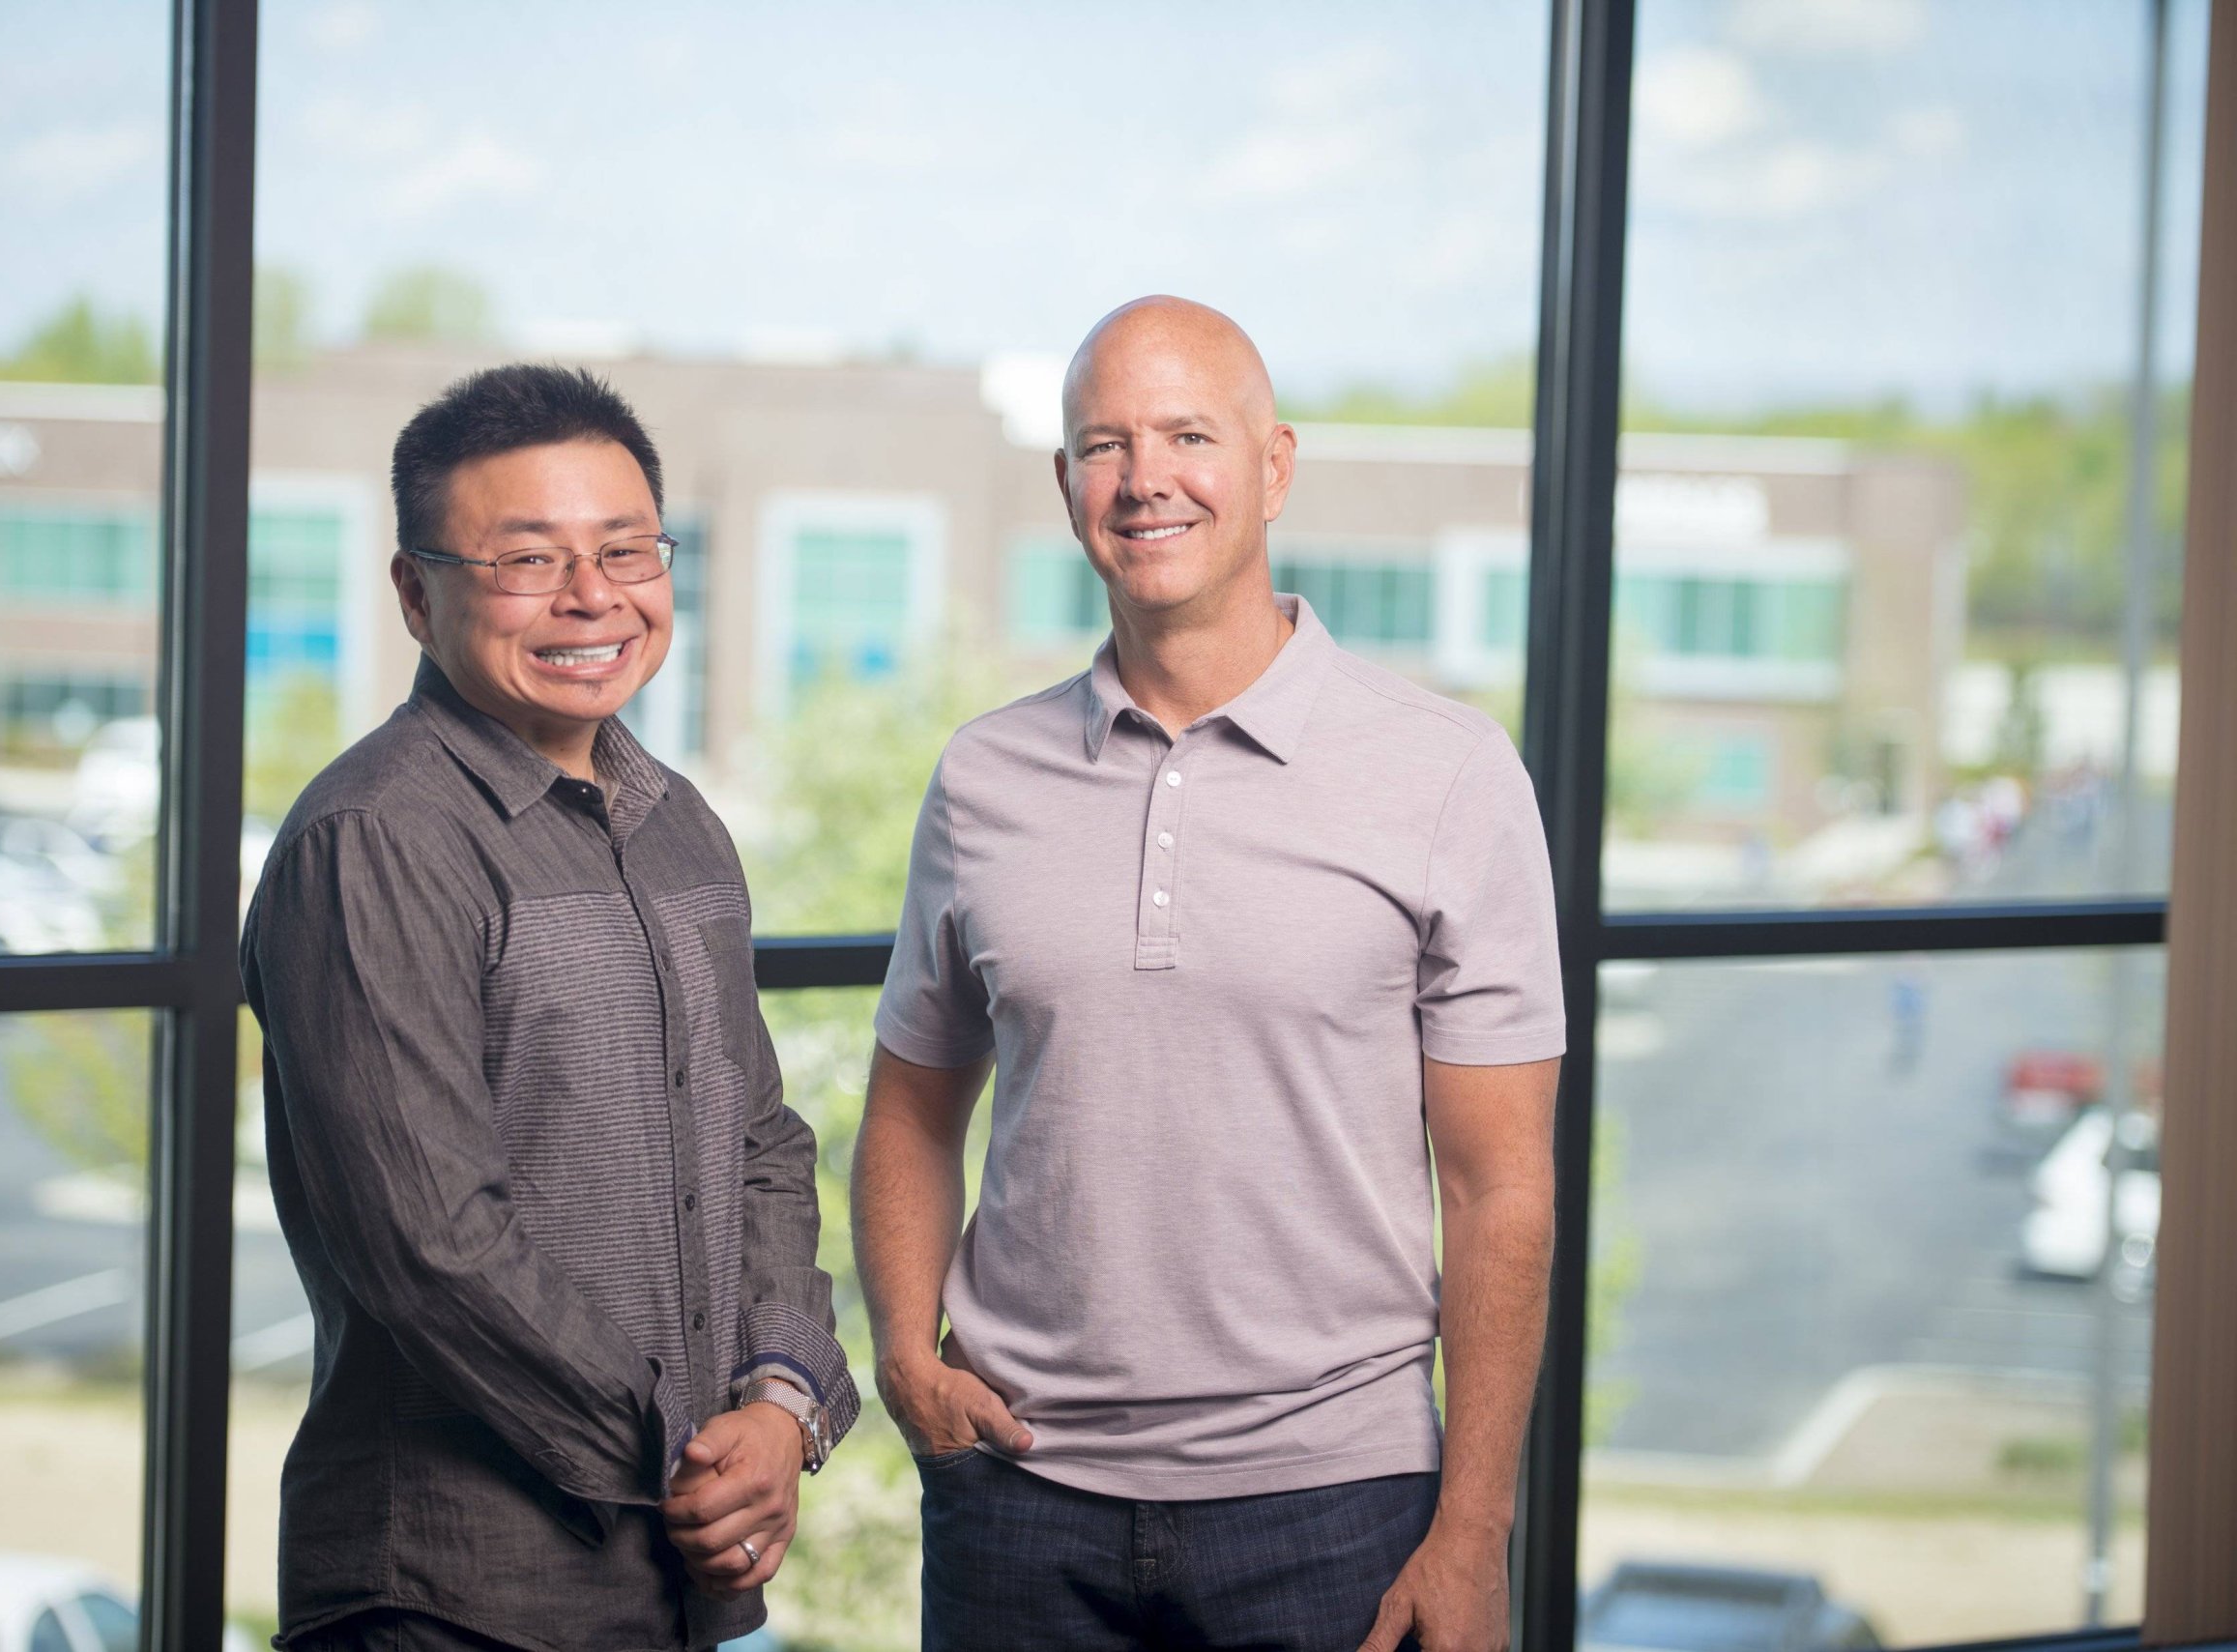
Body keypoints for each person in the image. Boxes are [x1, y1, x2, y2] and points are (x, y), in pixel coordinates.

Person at [855, 298, 1564, 1652]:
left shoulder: (1449, 772)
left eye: (1189, 433)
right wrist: (904, 1350)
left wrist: (1474, 1530)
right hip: (1017, 1496)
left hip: (1335, 1504)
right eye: (1105, 444)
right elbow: (909, 1106)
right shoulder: (982, 775)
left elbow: (1499, 1186)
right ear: (1068, 489)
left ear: (1274, 466)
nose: (1145, 477)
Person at [243, 363, 858, 1652]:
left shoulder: (682, 827)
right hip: (451, 1597)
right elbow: (434, 1245)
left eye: (627, 550)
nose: (593, 597)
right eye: (529, 559)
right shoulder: (374, 840)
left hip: (691, 1596)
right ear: (417, 592)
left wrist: (783, 1403)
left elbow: (762, 1148)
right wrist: (693, 1449)